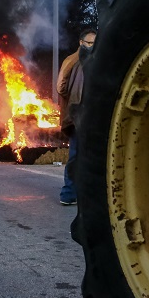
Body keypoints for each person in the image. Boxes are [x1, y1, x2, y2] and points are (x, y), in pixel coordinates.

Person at [56, 28, 96, 205]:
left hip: (90, 116)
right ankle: (69, 194)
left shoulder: (95, 60)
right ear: (81, 43)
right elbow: (61, 88)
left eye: (95, 43)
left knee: (85, 156)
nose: (93, 46)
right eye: (89, 43)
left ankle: (80, 193)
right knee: (76, 155)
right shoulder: (73, 61)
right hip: (78, 116)